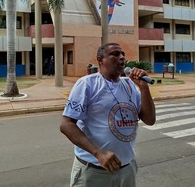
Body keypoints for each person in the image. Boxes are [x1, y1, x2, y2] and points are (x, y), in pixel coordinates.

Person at [60, 42, 156, 187]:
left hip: (126, 169)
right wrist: (99, 153)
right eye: (115, 54)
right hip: (94, 171)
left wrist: (143, 88)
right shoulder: (87, 84)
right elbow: (66, 125)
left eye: (123, 54)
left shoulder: (130, 85)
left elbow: (149, 120)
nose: (122, 57)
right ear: (100, 60)